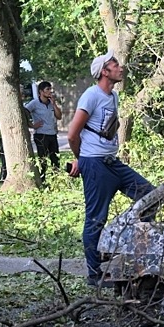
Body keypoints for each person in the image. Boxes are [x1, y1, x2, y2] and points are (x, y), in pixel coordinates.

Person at [67, 50, 156, 287]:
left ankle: (127, 246)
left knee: (150, 195)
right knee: (96, 218)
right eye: (114, 64)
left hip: (112, 163)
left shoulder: (113, 97)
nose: (120, 67)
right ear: (104, 72)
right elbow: (73, 134)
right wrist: (82, 160)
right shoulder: (91, 96)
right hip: (95, 165)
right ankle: (94, 274)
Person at [0, 85, 43, 182]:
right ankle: (3, 180)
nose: (23, 97)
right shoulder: (7, 109)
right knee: (5, 162)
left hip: (22, 140)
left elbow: (28, 123)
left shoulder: (23, 109)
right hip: (7, 139)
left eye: (23, 94)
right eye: (21, 94)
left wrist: (34, 126)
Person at [25, 81, 62, 181]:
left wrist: (54, 104)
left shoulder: (51, 103)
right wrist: (32, 125)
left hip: (52, 134)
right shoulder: (34, 103)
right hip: (41, 135)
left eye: (51, 89)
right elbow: (24, 112)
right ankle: (42, 181)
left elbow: (59, 116)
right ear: (41, 91)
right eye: (47, 89)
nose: (50, 91)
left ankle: (57, 180)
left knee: (55, 159)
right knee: (43, 160)